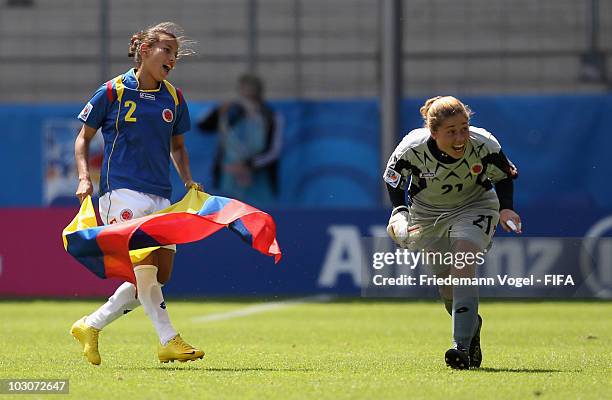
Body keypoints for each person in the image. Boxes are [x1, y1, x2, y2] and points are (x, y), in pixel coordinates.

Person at [70, 22, 204, 365]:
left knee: (160, 275)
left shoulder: (174, 97)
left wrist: (188, 180)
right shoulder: (113, 91)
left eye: (175, 54)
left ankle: (91, 325)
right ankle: (168, 340)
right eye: (167, 51)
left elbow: (178, 146)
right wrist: (85, 178)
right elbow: (83, 138)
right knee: (144, 268)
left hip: (161, 195)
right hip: (122, 192)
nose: (172, 59)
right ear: (144, 51)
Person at [383, 96, 521, 369]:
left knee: (463, 261)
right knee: (447, 285)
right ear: (433, 133)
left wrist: (506, 209)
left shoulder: (484, 144)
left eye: (464, 128)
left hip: (475, 205)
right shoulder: (412, 148)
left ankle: (461, 345)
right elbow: (393, 180)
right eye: (451, 131)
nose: (461, 137)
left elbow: (503, 176)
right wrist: (400, 211)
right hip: (427, 214)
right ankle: (472, 327)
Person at [197, 74, 281, 205]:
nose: (248, 99)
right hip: (229, 180)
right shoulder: (232, 114)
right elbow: (203, 126)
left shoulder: (271, 117)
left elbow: (273, 151)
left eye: (252, 94)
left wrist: (247, 166)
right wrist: (219, 110)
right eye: (245, 93)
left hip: (258, 180)